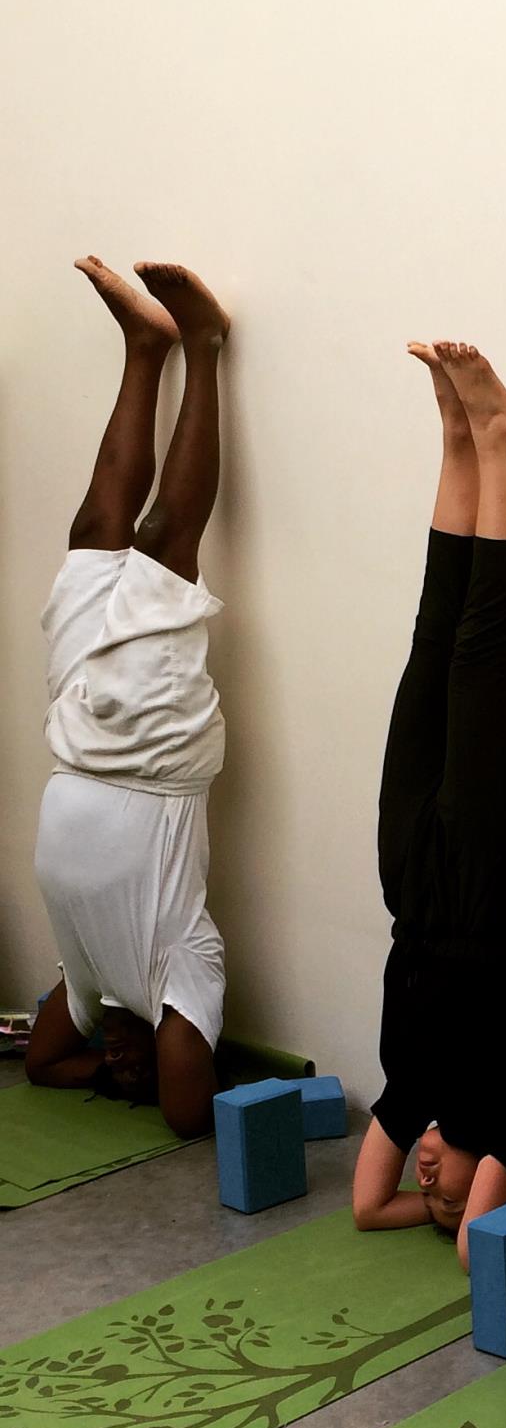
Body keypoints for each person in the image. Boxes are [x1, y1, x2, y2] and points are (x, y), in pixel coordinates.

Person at [350, 341, 506, 1265]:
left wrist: (418, 1206)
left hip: (411, 886)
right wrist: (468, 1226)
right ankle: (499, 437)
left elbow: (362, 1208)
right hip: (481, 877)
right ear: (495, 1190)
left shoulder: (407, 1096)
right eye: (451, 1197)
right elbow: (478, 1250)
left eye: (423, 1196)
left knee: (433, 636)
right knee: (479, 653)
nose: (424, 1182)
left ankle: (455, 439)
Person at [26, 257, 232, 1137]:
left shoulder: (86, 993)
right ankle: (206, 346)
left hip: (75, 731)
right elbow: (188, 1115)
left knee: (92, 538)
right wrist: (150, 1073)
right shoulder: (180, 979)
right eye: (131, 1058)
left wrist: (105, 1070)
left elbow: (40, 1065)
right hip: (152, 756)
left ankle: (145, 348)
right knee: (160, 548)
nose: (112, 1057)